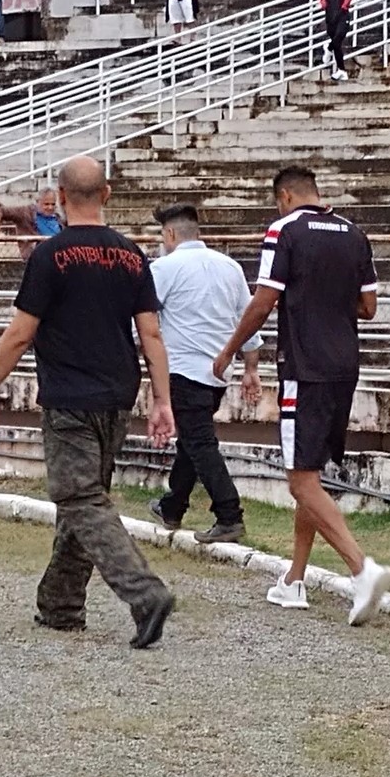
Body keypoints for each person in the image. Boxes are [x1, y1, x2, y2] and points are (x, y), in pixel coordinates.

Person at [0, 155, 177, 648]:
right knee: (84, 501)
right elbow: (151, 334)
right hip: (117, 395)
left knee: (79, 498)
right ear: (106, 195)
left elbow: (20, 333)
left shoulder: (49, 255)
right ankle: (60, 605)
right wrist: (161, 400)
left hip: (69, 397)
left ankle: (144, 594)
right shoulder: (131, 255)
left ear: (59, 198)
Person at [213, 166, 390, 626]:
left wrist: (230, 350)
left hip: (305, 366)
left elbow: (263, 299)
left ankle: (361, 569)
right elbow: (368, 308)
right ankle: (294, 580)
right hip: (344, 367)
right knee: (310, 474)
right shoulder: (355, 233)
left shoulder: (284, 229)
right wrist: (328, 299)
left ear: (286, 196)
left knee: (300, 481)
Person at [147, 204, 264, 545]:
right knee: (192, 440)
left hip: (183, 369)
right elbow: (249, 319)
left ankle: (229, 515)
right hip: (217, 372)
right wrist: (251, 368)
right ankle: (173, 506)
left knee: (199, 442)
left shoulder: (164, 267)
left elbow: (144, 320)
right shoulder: (230, 267)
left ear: (170, 234)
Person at [0, 188, 64, 261]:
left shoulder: (58, 218)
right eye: (46, 204)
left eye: (53, 204)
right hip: (37, 259)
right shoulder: (26, 213)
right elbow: (1, 211)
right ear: (38, 202)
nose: (50, 207)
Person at [317, 0, 353, 82]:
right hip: (330, 15)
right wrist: (323, 5)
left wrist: (344, 6)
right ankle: (341, 70)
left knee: (339, 36)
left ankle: (328, 48)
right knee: (337, 44)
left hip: (342, 13)